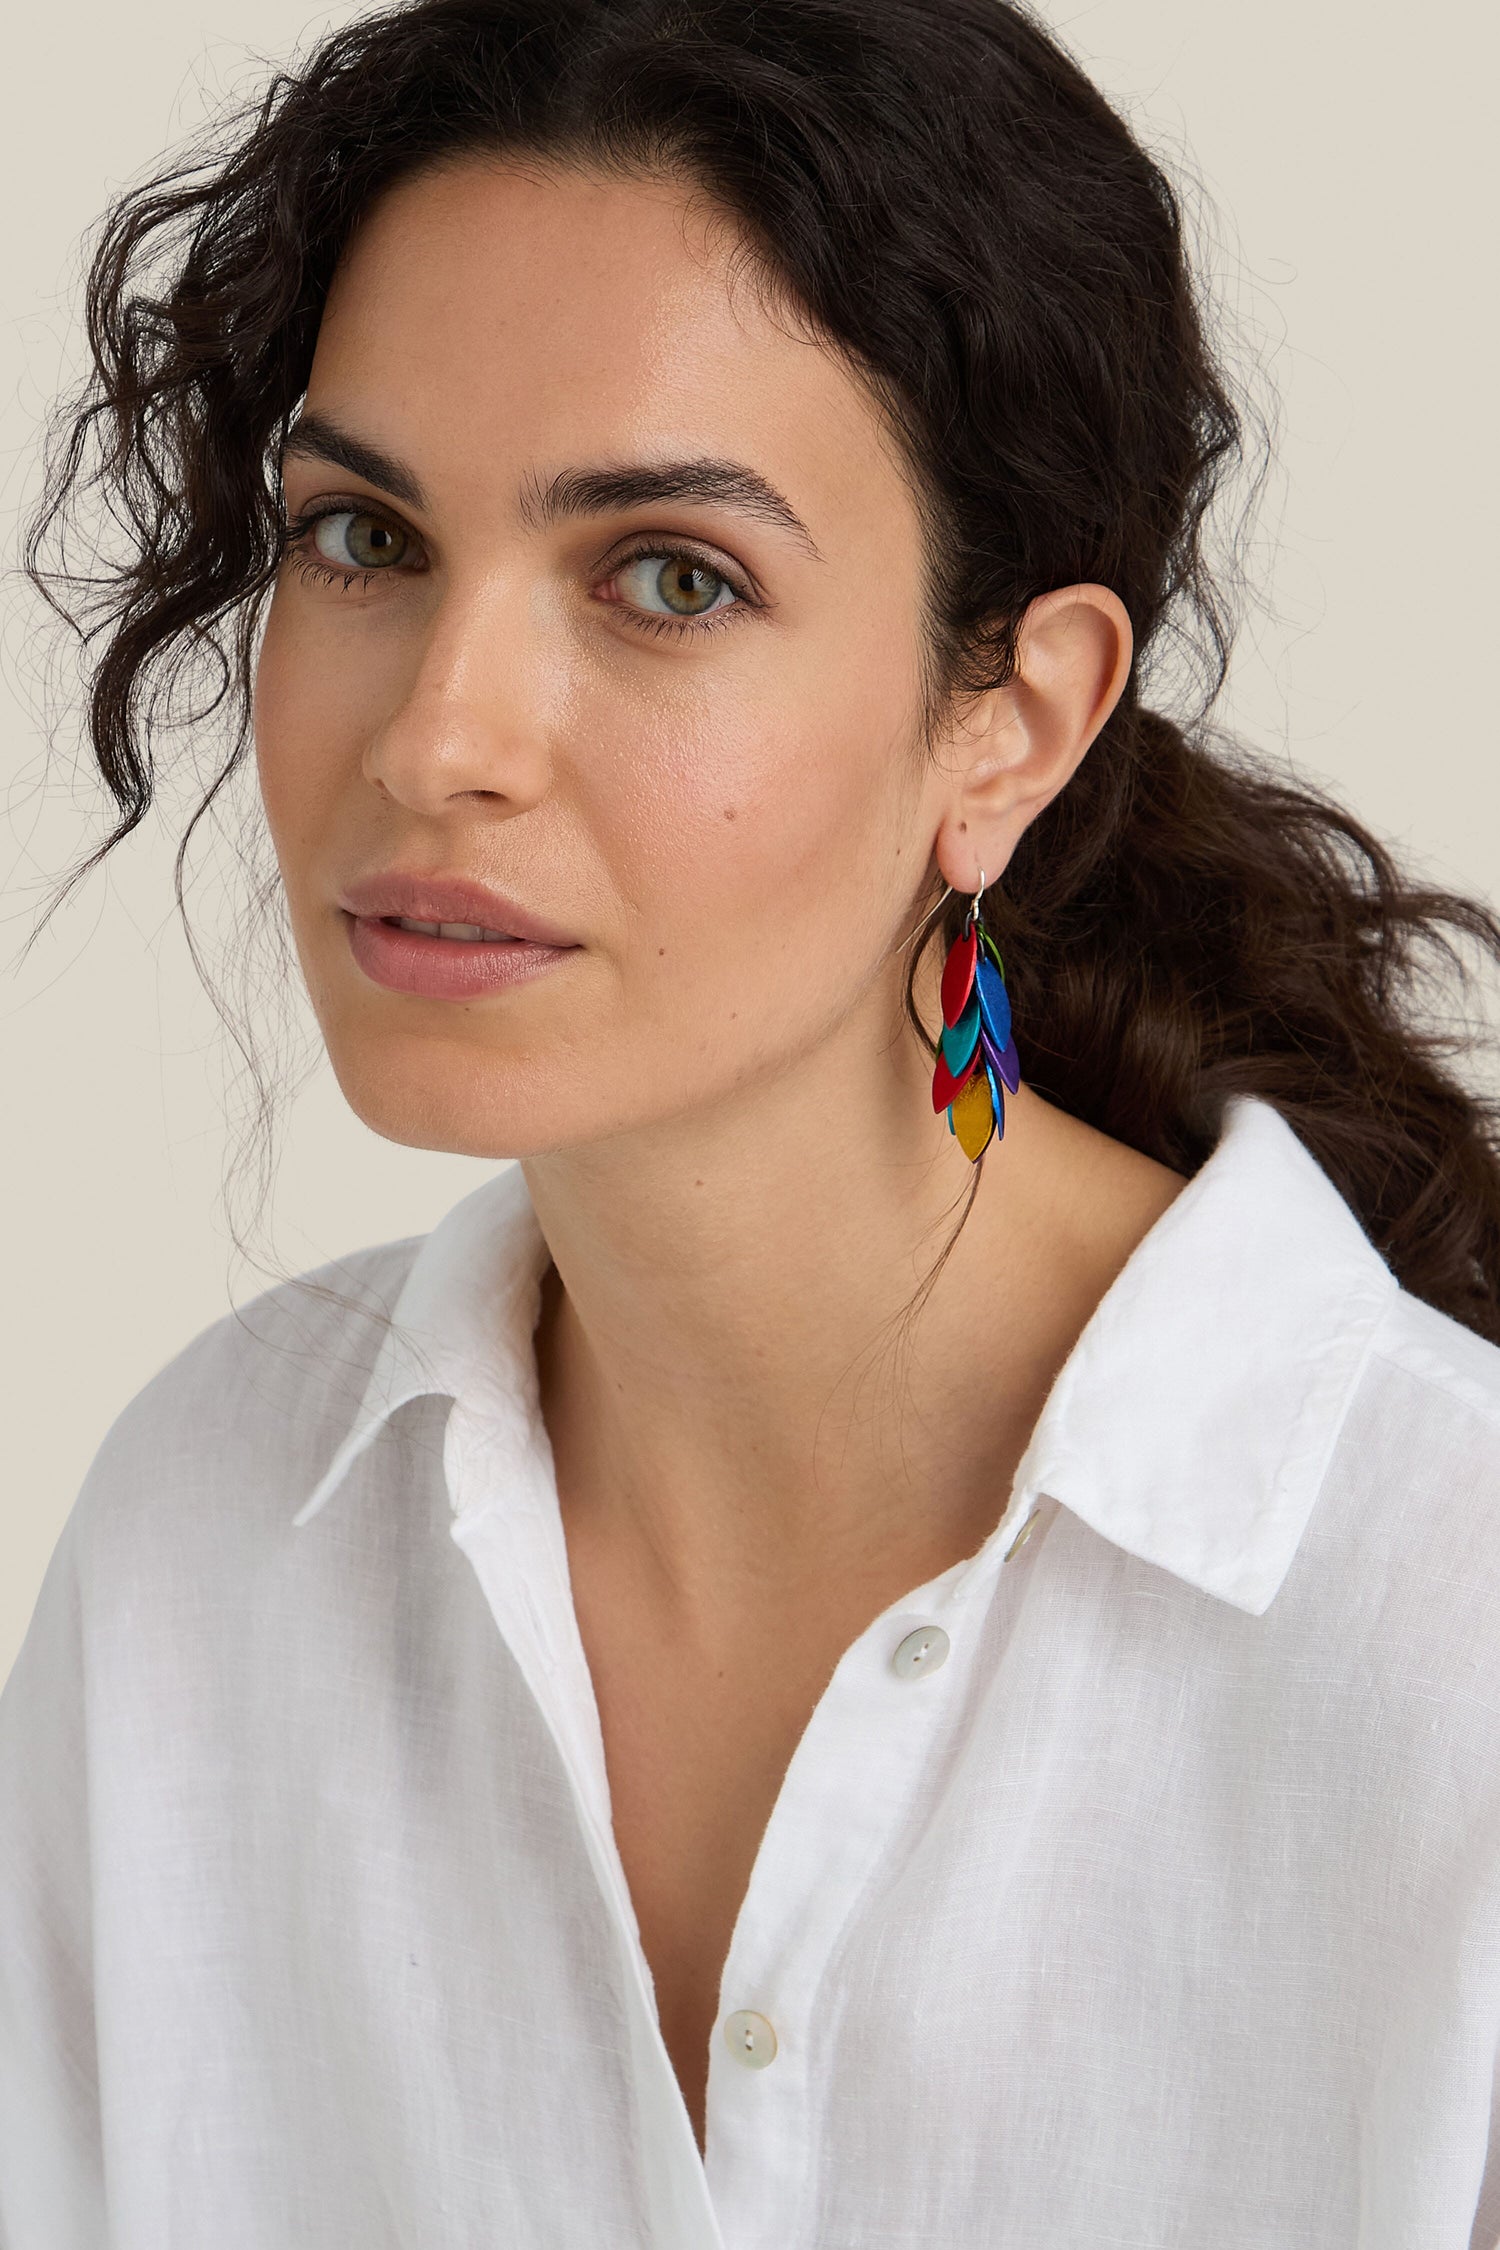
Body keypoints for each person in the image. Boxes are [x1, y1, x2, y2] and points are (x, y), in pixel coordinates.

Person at [4, 0, 1500, 2240]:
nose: (440, 737)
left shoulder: (1446, 1629)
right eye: (361, 537)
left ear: (1012, 724)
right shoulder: (211, 1549)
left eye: (669, 576)